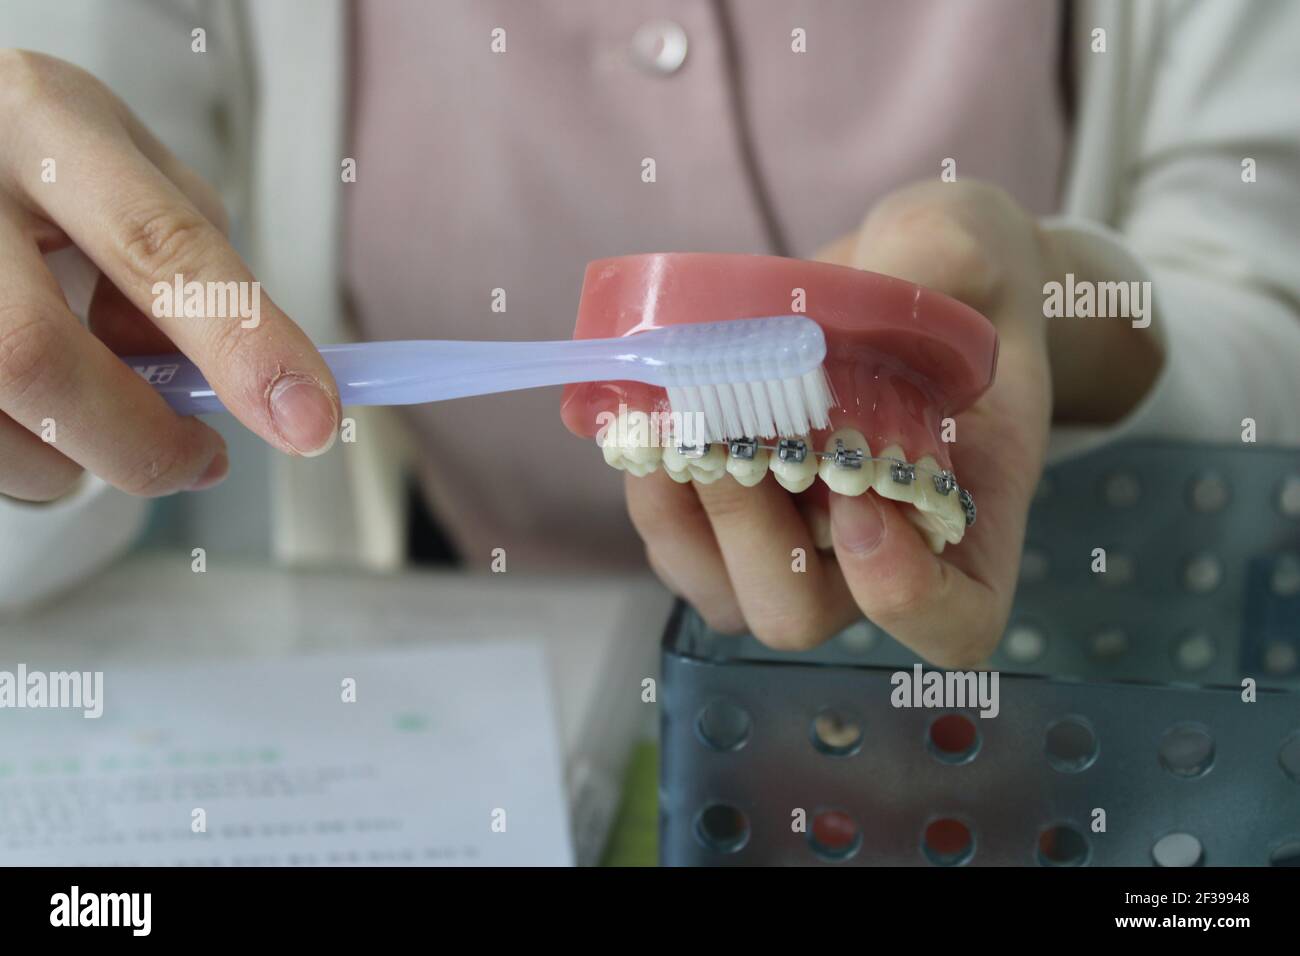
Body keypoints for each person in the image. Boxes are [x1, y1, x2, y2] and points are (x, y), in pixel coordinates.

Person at [1, 1, 1298, 668]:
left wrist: (1064, 325)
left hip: (1091, 701)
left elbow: (1270, 311)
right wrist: (36, 366)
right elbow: (52, 464)